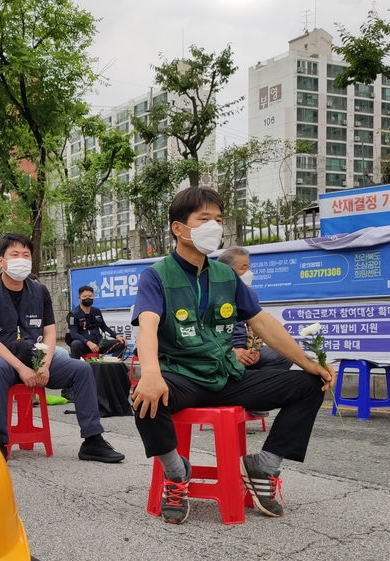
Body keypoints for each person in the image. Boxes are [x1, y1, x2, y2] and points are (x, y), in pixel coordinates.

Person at [131, 187, 333, 524]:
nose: (214, 226)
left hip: (226, 375)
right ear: (178, 228)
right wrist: (150, 373)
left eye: (218, 219)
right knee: (144, 397)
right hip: (182, 376)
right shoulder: (157, 276)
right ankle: (176, 472)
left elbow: (263, 323)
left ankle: (263, 465)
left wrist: (309, 363)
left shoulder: (226, 276)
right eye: (204, 219)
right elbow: (148, 326)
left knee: (309, 384)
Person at [0, 232, 125, 463]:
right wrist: (22, 369)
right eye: (15, 254)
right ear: (1, 261)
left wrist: (43, 365)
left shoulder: (39, 291)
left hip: (36, 356)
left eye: (26, 254)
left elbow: (50, 332)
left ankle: (92, 440)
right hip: (1, 359)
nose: (21, 259)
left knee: (81, 370)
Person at [215, 247, 291, 372]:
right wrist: (231, 351)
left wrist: (253, 349)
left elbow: (255, 326)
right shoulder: (211, 293)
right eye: (244, 268)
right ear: (226, 270)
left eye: (249, 267)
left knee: (284, 356)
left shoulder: (250, 294)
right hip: (219, 349)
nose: (249, 272)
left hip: (244, 346)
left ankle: (256, 385)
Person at [66, 285, 127, 359]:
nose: (88, 298)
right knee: (75, 344)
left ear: (93, 297)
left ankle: (111, 366)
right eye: (84, 296)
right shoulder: (73, 314)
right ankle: (78, 367)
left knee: (121, 344)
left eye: (90, 296)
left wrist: (116, 336)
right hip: (84, 344)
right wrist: (88, 342)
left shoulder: (96, 311)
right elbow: (74, 334)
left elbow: (104, 327)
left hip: (98, 343)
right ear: (79, 298)